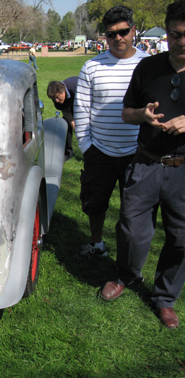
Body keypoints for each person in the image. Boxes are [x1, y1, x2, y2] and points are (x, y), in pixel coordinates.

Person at [100, 1, 185, 329]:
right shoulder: (147, 68)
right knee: (133, 231)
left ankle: (164, 297)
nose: (181, 42)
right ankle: (126, 276)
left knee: (181, 237)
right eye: (176, 35)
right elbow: (126, 112)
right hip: (146, 164)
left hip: (183, 170)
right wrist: (143, 115)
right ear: (167, 33)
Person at [73, 6, 149, 259]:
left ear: (133, 31)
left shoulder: (148, 64)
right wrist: (87, 147)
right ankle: (97, 245)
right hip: (100, 152)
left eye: (123, 32)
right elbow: (82, 109)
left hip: (139, 154)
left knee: (134, 212)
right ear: (104, 37)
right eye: (111, 34)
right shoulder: (92, 66)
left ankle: (129, 260)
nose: (118, 38)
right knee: (95, 204)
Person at [47, 77, 78, 160]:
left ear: (62, 91)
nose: (56, 101)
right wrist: (73, 125)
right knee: (66, 124)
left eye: (57, 97)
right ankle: (67, 153)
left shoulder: (75, 87)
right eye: (54, 99)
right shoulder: (57, 99)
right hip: (71, 103)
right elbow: (65, 111)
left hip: (86, 104)